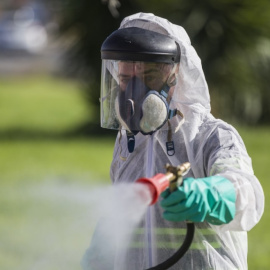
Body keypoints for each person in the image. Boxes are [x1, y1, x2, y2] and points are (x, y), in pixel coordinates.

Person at [82, 13, 264, 270]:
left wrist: (211, 197)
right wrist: (100, 252)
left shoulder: (210, 136)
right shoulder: (128, 144)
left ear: (175, 77)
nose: (133, 94)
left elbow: (248, 195)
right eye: (125, 79)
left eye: (148, 77)